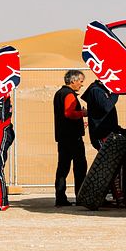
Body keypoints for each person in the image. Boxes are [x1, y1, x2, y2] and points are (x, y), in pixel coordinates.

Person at [81, 79, 124, 206]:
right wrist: (116, 93)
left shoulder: (99, 90)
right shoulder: (96, 91)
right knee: (108, 167)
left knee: (110, 166)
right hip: (102, 135)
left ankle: (109, 195)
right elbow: (106, 106)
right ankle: (111, 196)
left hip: (106, 133)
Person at [53, 69, 88, 207]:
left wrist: (79, 123)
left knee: (63, 167)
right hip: (72, 139)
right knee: (80, 167)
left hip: (63, 137)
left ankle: (60, 197)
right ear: (73, 81)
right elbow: (69, 113)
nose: (81, 84)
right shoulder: (69, 94)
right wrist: (83, 113)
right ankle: (80, 196)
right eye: (80, 81)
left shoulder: (59, 93)